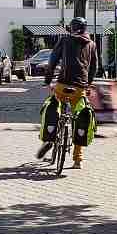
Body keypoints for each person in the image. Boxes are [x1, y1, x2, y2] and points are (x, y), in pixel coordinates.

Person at [37, 17, 98, 168]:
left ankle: (50, 138)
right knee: (80, 117)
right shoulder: (91, 44)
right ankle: (78, 159)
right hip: (79, 88)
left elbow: (52, 62)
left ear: (71, 28)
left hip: (62, 85)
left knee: (53, 105)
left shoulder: (64, 40)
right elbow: (94, 68)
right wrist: (87, 84)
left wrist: (47, 80)